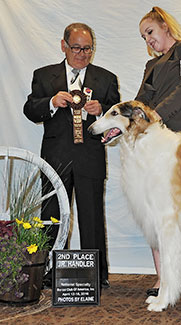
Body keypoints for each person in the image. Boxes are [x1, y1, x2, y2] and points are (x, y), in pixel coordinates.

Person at [24, 23, 120, 289]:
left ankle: (97, 275)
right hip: (56, 156)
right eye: (76, 47)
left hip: (90, 156)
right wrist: (51, 103)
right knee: (52, 215)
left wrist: (102, 110)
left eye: (87, 49)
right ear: (63, 45)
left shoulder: (106, 78)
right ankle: (47, 271)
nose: (82, 54)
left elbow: (119, 116)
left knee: (92, 216)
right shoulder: (44, 76)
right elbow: (30, 109)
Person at [135, 7, 181, 297]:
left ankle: (174, 272)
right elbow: (140, 102)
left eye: (150, 32)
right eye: (143, 37)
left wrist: (153, 117)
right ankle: (162, 277)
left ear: (164, 25)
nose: (148, 41)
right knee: (156, 211)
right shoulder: (151, 66)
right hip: (156, 145)